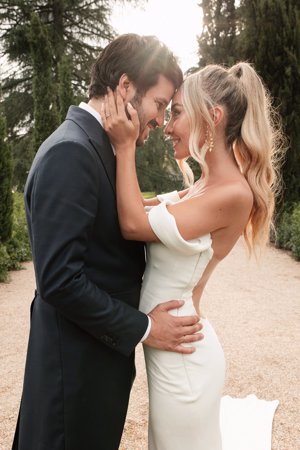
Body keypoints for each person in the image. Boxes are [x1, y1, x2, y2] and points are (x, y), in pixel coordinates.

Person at [12, 34, 205, 450]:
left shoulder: (103, 149)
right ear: (124, 87)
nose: (157, 121)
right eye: (158, 104)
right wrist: (147, 327)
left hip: (94, 366)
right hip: (74, 375)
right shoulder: (71, 152)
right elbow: (60, 280)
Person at [101, 61, 283, 449]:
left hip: (183, 359)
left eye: (178, 112)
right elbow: (140, 206)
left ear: (212, 117)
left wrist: (124, 145)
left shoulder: (232, 193)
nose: (167, 125)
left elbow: (133, 223)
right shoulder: (203, 186)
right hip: (172, 350)